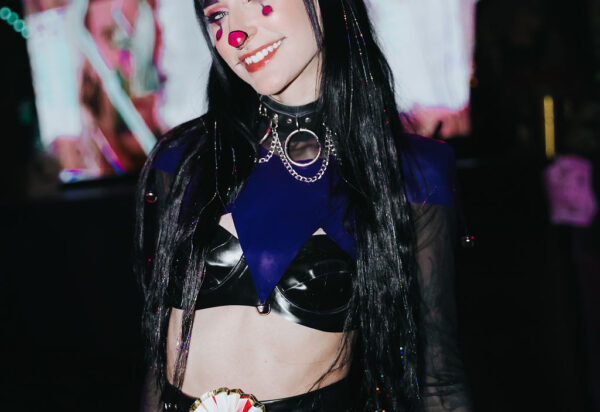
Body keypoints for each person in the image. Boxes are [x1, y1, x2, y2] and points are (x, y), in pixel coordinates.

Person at [135, 0, 472, 410]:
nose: (236, 35)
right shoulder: (184, 160)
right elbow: (158, 364)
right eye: (218, 15)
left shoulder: (410, 173)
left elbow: (439, 381)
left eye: (259, 1)